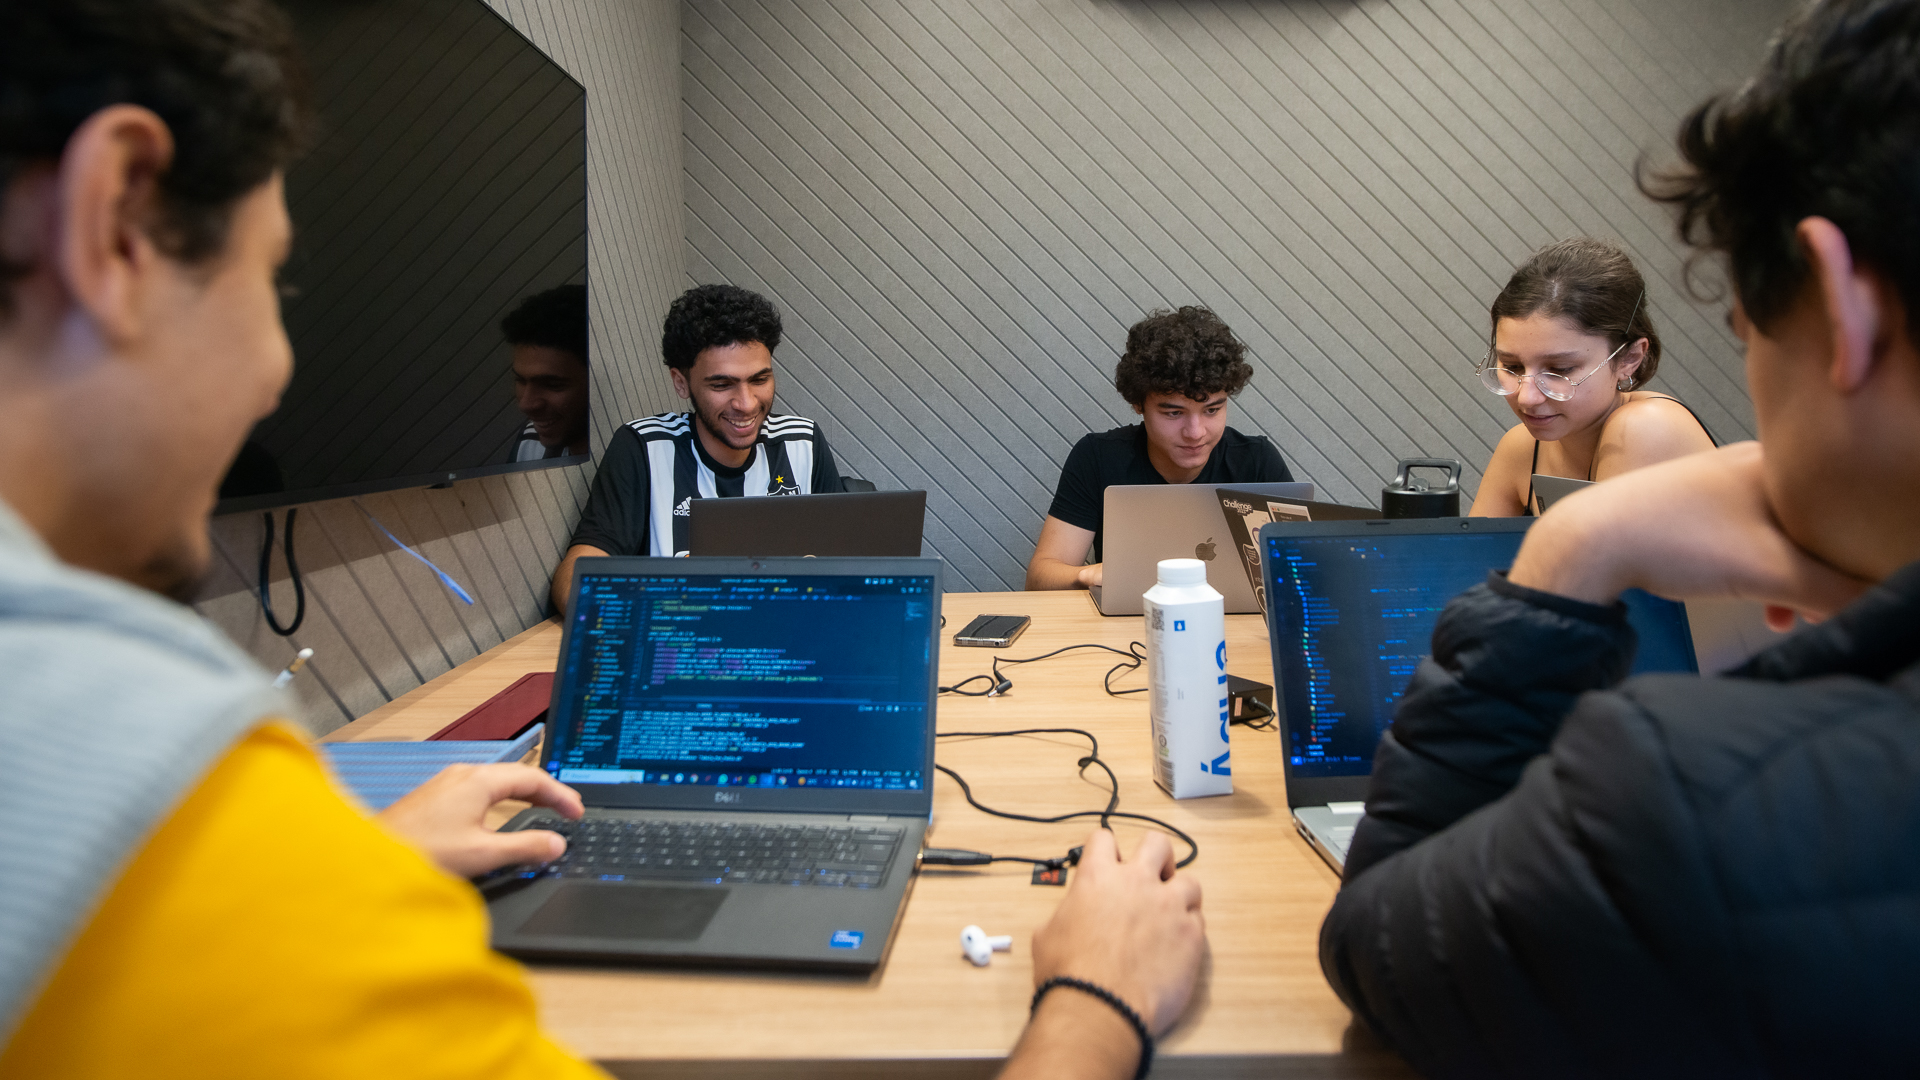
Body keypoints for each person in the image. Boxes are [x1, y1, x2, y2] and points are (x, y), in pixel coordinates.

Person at [0, 3, 1205, 1077]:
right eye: (273, 282)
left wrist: (351, 866)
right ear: (113, 219)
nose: (274, 372)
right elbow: (579, 571)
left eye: (759, 381)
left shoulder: (804, 439)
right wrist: (1095, 1004)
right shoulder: (151, 785)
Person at [1320, 0, 1920, 1073]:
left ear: (1840, 307)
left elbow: (1382, 943)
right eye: (1510, 367)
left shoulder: (1690, 796)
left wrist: (1569, 549)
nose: (1528, 393)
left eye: (1746, 332)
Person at [549, 284, 845, 613]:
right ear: (681, 382)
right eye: (722, 384)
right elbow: (572, 579)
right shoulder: (643, 447)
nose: (746, 404)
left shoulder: (803, 441)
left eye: (759, 380)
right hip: (683, 648)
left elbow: (852, 563)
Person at [1027, 305, 1292, 590]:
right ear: (1138, 404)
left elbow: (1305, 572)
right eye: (1174, 413)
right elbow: (1040, 578)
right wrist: (1087, 574)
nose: (1195, 433)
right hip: (1126, 629)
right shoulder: (1098, 457)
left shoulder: (1257, 460)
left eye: (1212, 410)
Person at [1467, 237, 1718, 516]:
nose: (1527, 397)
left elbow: (1591, 560)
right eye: (1513, 367)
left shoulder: (1645, 427)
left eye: (1559, 370)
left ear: (1629, 358)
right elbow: (1464, 558)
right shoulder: (1521, 448)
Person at [503, 283, 590, 461]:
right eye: (520, 380)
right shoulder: (530, 445)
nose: (526, 404)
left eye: (552, 385)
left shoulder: (648, 454)